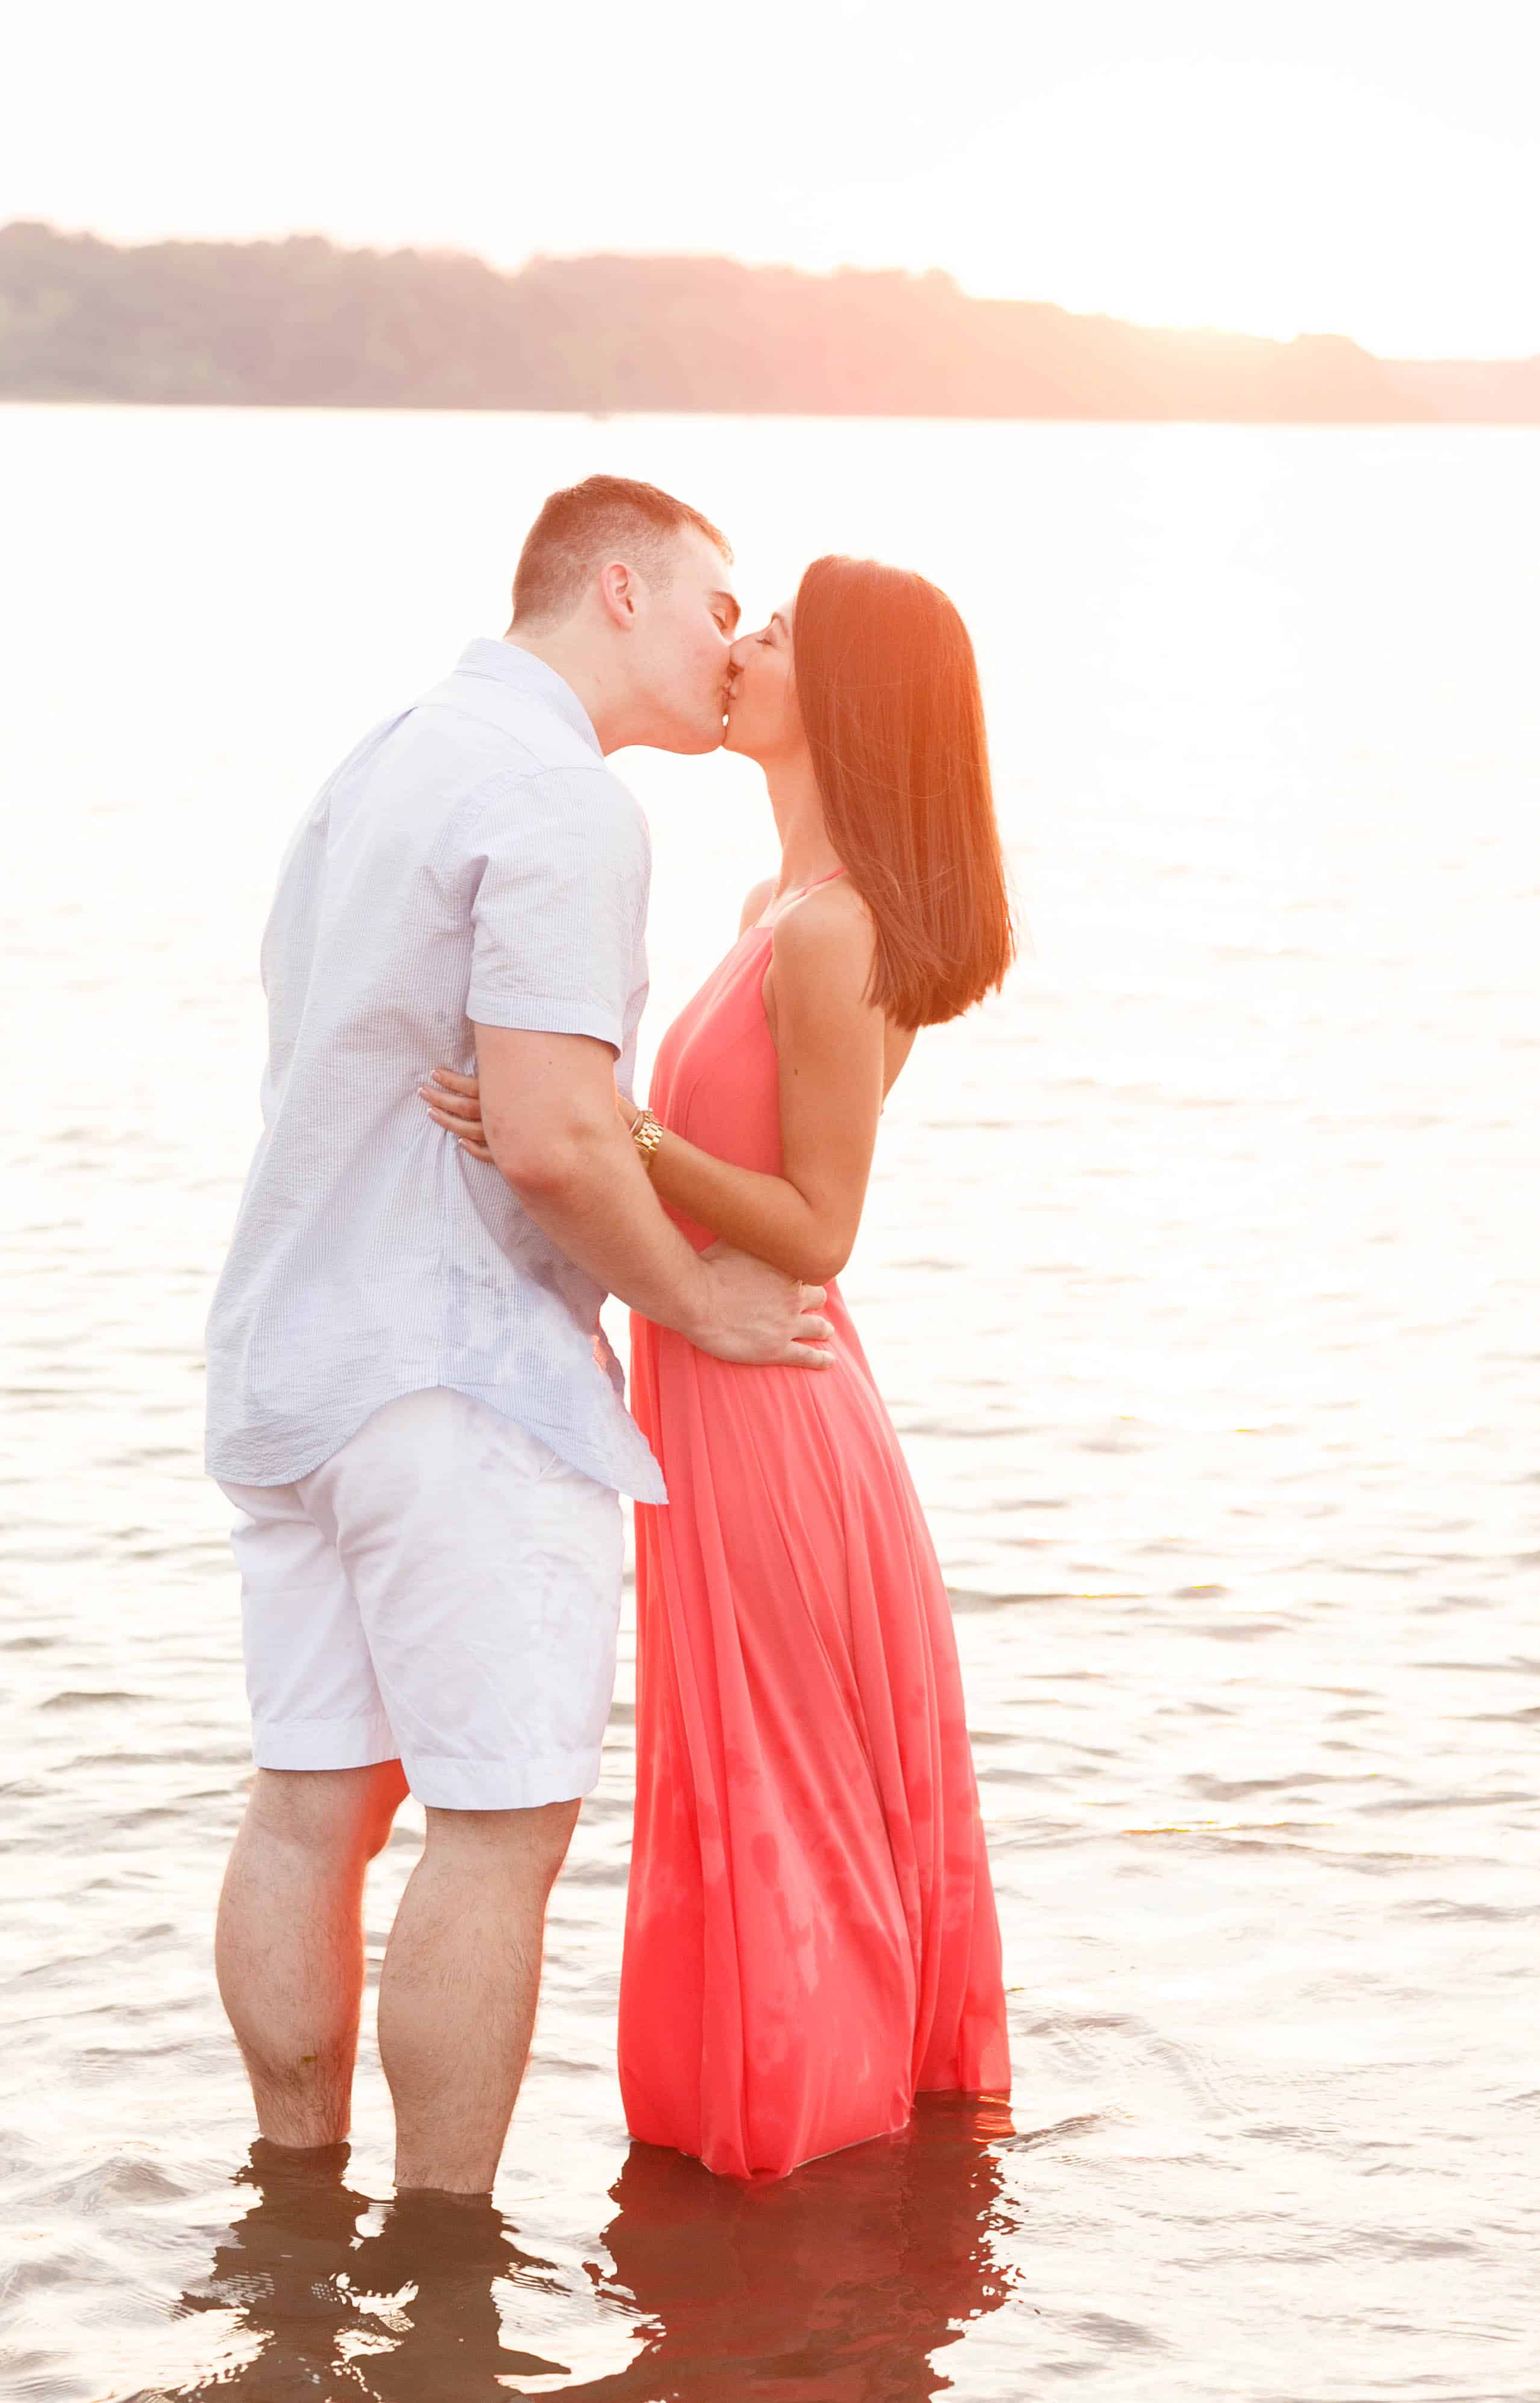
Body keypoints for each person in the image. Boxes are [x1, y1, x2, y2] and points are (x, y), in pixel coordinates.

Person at [204, 476, 832, 2199]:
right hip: (455, 1376)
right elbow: (556, 1132)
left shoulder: (388, 756)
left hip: (288, 1356)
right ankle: (441, 2268)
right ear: (621, 592)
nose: (732, 645)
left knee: (309, 1809)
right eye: (721, 605)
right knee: (497, 1830)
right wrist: (695, 1298)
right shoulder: (562, 799)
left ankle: (293, 2211)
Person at [423, 554, 1014, 2178]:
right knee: (742, 1771)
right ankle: (792, 2163)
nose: (737, 648)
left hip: (774, 1397)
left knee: (775, 1782)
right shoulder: (776, 911)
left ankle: (796, 2139)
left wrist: (614, 1126)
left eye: (771, 634)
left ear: (847, 698)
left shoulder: (831, 932)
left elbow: (818, 1227)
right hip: (729, 1387)